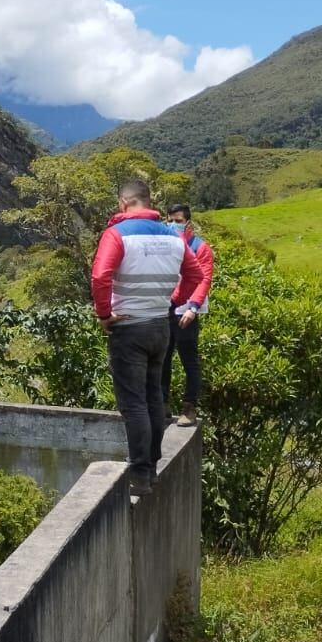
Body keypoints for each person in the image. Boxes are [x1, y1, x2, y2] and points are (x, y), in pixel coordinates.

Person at [91, 180, 207, 496]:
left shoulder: (116, 235)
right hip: (160, 326)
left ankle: (140, 475)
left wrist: (104, 315)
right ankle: (151, 468)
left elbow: (101, 276)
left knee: (134, 403)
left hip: (129, 328)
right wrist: (171, 299)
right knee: (155, 397)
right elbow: (196, 275)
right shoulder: (174, 236)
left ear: (124, 203)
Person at [161, 204, 214, 427]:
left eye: (179, 220)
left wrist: (193, 307)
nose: (174, 224)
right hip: (165, 307)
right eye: (171, 219)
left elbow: (204, 280)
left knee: (188, 361)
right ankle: (162, 405)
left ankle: (189, 408)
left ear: (188, 222)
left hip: (186, 312)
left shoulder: (200, 248)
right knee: (162, 360)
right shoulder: (164, 245)